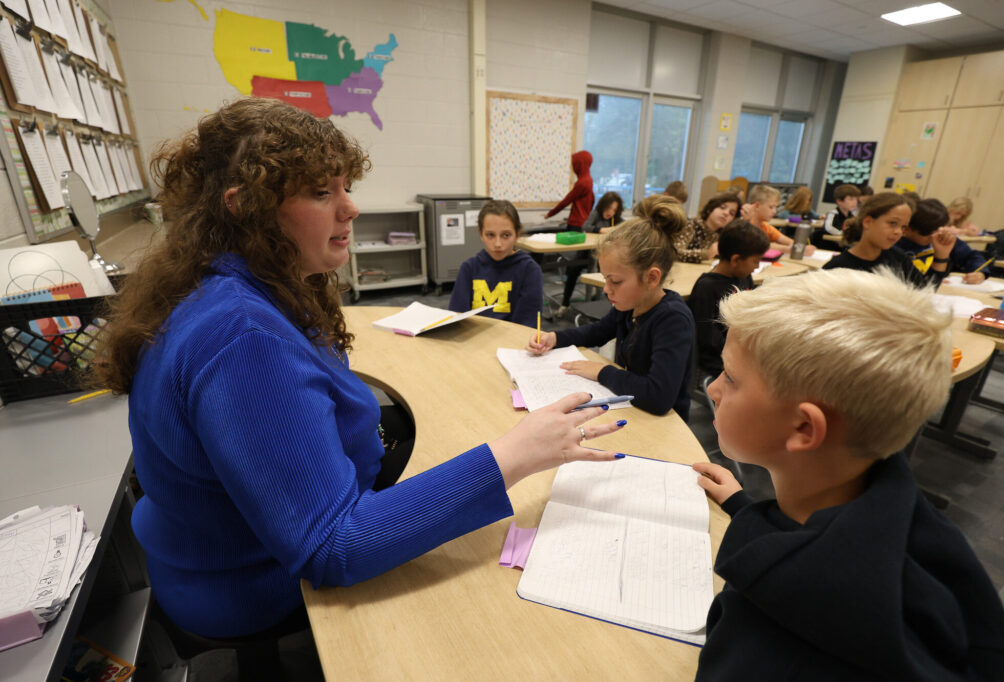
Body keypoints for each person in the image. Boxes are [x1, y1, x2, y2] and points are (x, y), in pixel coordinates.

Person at [93, 99, 625, 641]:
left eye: (345, 188)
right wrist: (515, 454)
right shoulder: (242, 338)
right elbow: (332, 546)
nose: (349, 209)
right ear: (245, 208)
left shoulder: (236, 285)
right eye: (322, 193)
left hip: (222, 544)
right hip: (247, 581)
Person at [692, 269, 1004, 681]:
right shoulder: (898, 513)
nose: (715, 389)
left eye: (731, 378)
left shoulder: (775, 646)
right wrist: (743, 508)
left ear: (804, 428)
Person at [526, 194, 695, 420]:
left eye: (615, 281)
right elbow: (596, 331)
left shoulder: (672, 320)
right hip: (631, 408)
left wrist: (602, 372)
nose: (606, 289)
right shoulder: (631, 304)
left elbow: (659, 397)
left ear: (652, 278)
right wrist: (555, 338)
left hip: (664, 424)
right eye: (606, 279)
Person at [688, 220, 768, 378]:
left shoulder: (744, 276)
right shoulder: (707, 288)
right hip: (720, 357)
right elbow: (708, 341)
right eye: (755, 261)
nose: (757, 266)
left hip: (741, 346)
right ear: (736, 260)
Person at [822, 192, 954, 288]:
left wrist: (941, 257)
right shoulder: (837, 267)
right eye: (892, 223)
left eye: (903, 227)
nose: (898, 232)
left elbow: (924, 292)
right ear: (868, 222)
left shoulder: (898, 259)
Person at [449, 200, 543, 326]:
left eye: (506, 235)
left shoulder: (529, 270)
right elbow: (456, 318)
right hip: (474, 341)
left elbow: (527, 324)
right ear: (481, 234)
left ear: (517, 235)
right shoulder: (469, 268)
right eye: (490, 235)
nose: (498, 244)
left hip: (511, 342)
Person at [545, 150, 595, 314]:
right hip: (582, 227)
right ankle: (571, 302)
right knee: (576, 266)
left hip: (576, 228)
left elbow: (567, 200)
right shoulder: (589, 182)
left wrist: (550, 214)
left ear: (579, 164)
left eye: (574, 164)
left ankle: (565, 304)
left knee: (574, 267)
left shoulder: (583, 183)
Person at [897, 197, 989, 283]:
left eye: (939, 229)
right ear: (907, 230)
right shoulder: (895, 245)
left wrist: (980, 273)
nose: (935, 238)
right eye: (929, 235)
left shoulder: (942, 238)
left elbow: (971, 256)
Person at [744, 185, 815, 255]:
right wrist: (791, 249)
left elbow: (787, 241)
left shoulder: (765, 226)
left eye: (775, 207)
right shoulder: (745, 226)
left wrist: (803, 247)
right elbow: (760, 245)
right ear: (757, 206)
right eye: (771, 207)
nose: (774, 211)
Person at [674, 192, 741, 263]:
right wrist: (706, 254)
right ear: (710, 209)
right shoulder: (690, 225)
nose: (726, 213)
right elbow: (675, 253)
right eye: (722, 207)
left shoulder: (722, 237)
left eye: (732, 213)